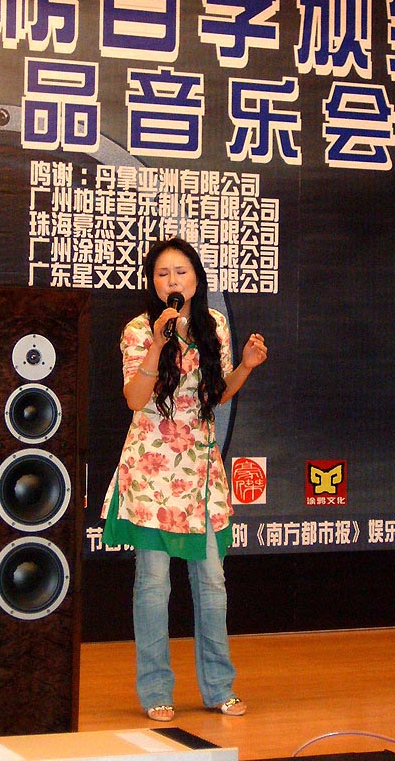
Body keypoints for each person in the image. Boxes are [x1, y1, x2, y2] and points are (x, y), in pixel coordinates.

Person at [101, 237, 267, 722]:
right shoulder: (139, 329)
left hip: (199, 471)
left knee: (212, 582)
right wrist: (159, 343)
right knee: (153, 584)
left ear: (196, 277)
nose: (172, 281)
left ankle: (218, 688)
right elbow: (135, 399)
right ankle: (155, 690)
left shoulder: (214, 324)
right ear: (153, 283)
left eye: (180, 272)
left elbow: (214, 397)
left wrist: (245, 368)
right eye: (162, 274)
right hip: (152, 471)